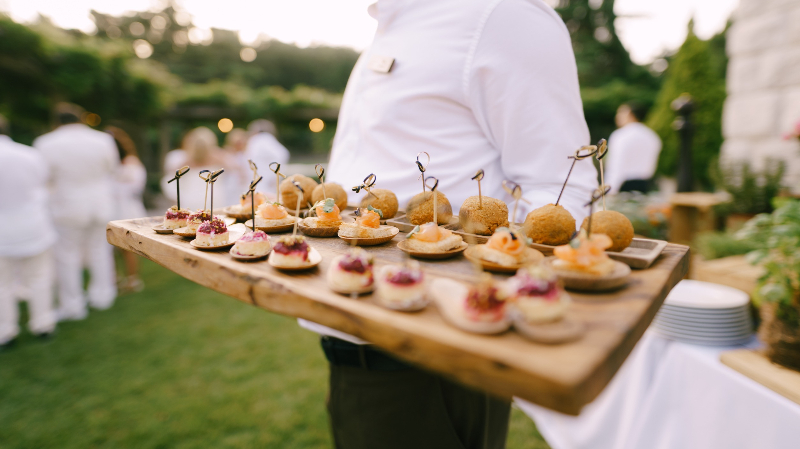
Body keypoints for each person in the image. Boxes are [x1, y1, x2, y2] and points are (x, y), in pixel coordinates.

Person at [305, 1, 598, 448]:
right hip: (350, 338)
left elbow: (561, 187)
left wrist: (497, 299)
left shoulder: (503, 16)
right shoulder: (388, 26)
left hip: (435, 359)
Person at [34, 103, 119, 320]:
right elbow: (112, 168)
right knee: (100, 250)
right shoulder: (103, 139)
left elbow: (43, 178)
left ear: (57, 121)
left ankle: (73, 305)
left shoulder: (46, 143)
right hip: (100, 203)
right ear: (81, 118)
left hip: (67, 206)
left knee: (67, 256)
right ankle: (103, 295)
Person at [0, 114, 58, 349]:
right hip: (33, 224)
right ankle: (43, 324)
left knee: (1, 285)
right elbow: (45, 185)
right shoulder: (30, 154)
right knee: (40, 277)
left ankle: (5, 331)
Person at [107, 126, 147, 293]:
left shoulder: (130, 161)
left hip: (127, 207)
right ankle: (114, 277)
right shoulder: (106, 164)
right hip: (110, 207)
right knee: (110, 246)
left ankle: (132, 278)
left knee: (126, 246)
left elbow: (136, 186)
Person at [161, 127, 229, 211]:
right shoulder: (219, 158)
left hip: (191, 201)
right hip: (214, 200)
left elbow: (170, 180)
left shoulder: (185, 162)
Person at [605, 102, 662, 194]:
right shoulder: (652, 135)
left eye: (620, 113)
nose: (617, 116)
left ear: (629, 114)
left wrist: (610, 188)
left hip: (623, 184)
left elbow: (616, 163)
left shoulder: (620, 135)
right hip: (645, 183)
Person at [244, 119, 289, 197]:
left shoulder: (262, 138)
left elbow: (282, 154)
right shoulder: (261, 139)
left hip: (263, 181)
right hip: (261, 180)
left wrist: (274, 176)